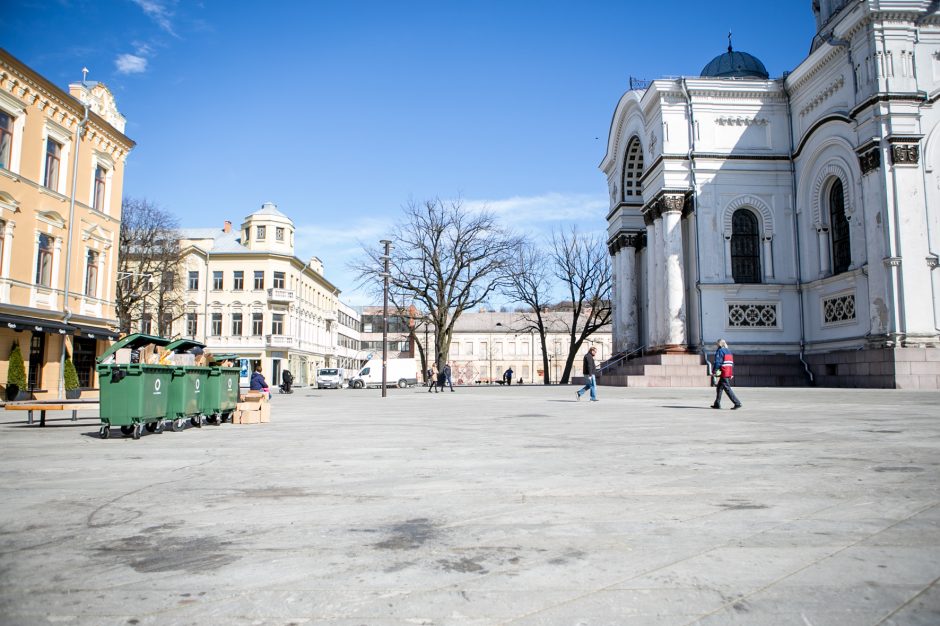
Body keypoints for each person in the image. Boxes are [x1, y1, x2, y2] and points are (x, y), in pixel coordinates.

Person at [711, 339, 742, 410]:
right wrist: (731, 373)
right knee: (719, 388)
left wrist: (714, 371)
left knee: (727, 388)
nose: (716, 345)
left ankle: (737, 403)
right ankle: (717, 403)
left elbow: (718, 362)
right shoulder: (728, 351)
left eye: (716, 344)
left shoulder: (720, 351)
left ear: (719, 344)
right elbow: (731, 363)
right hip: (728, 370)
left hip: (723, 371)